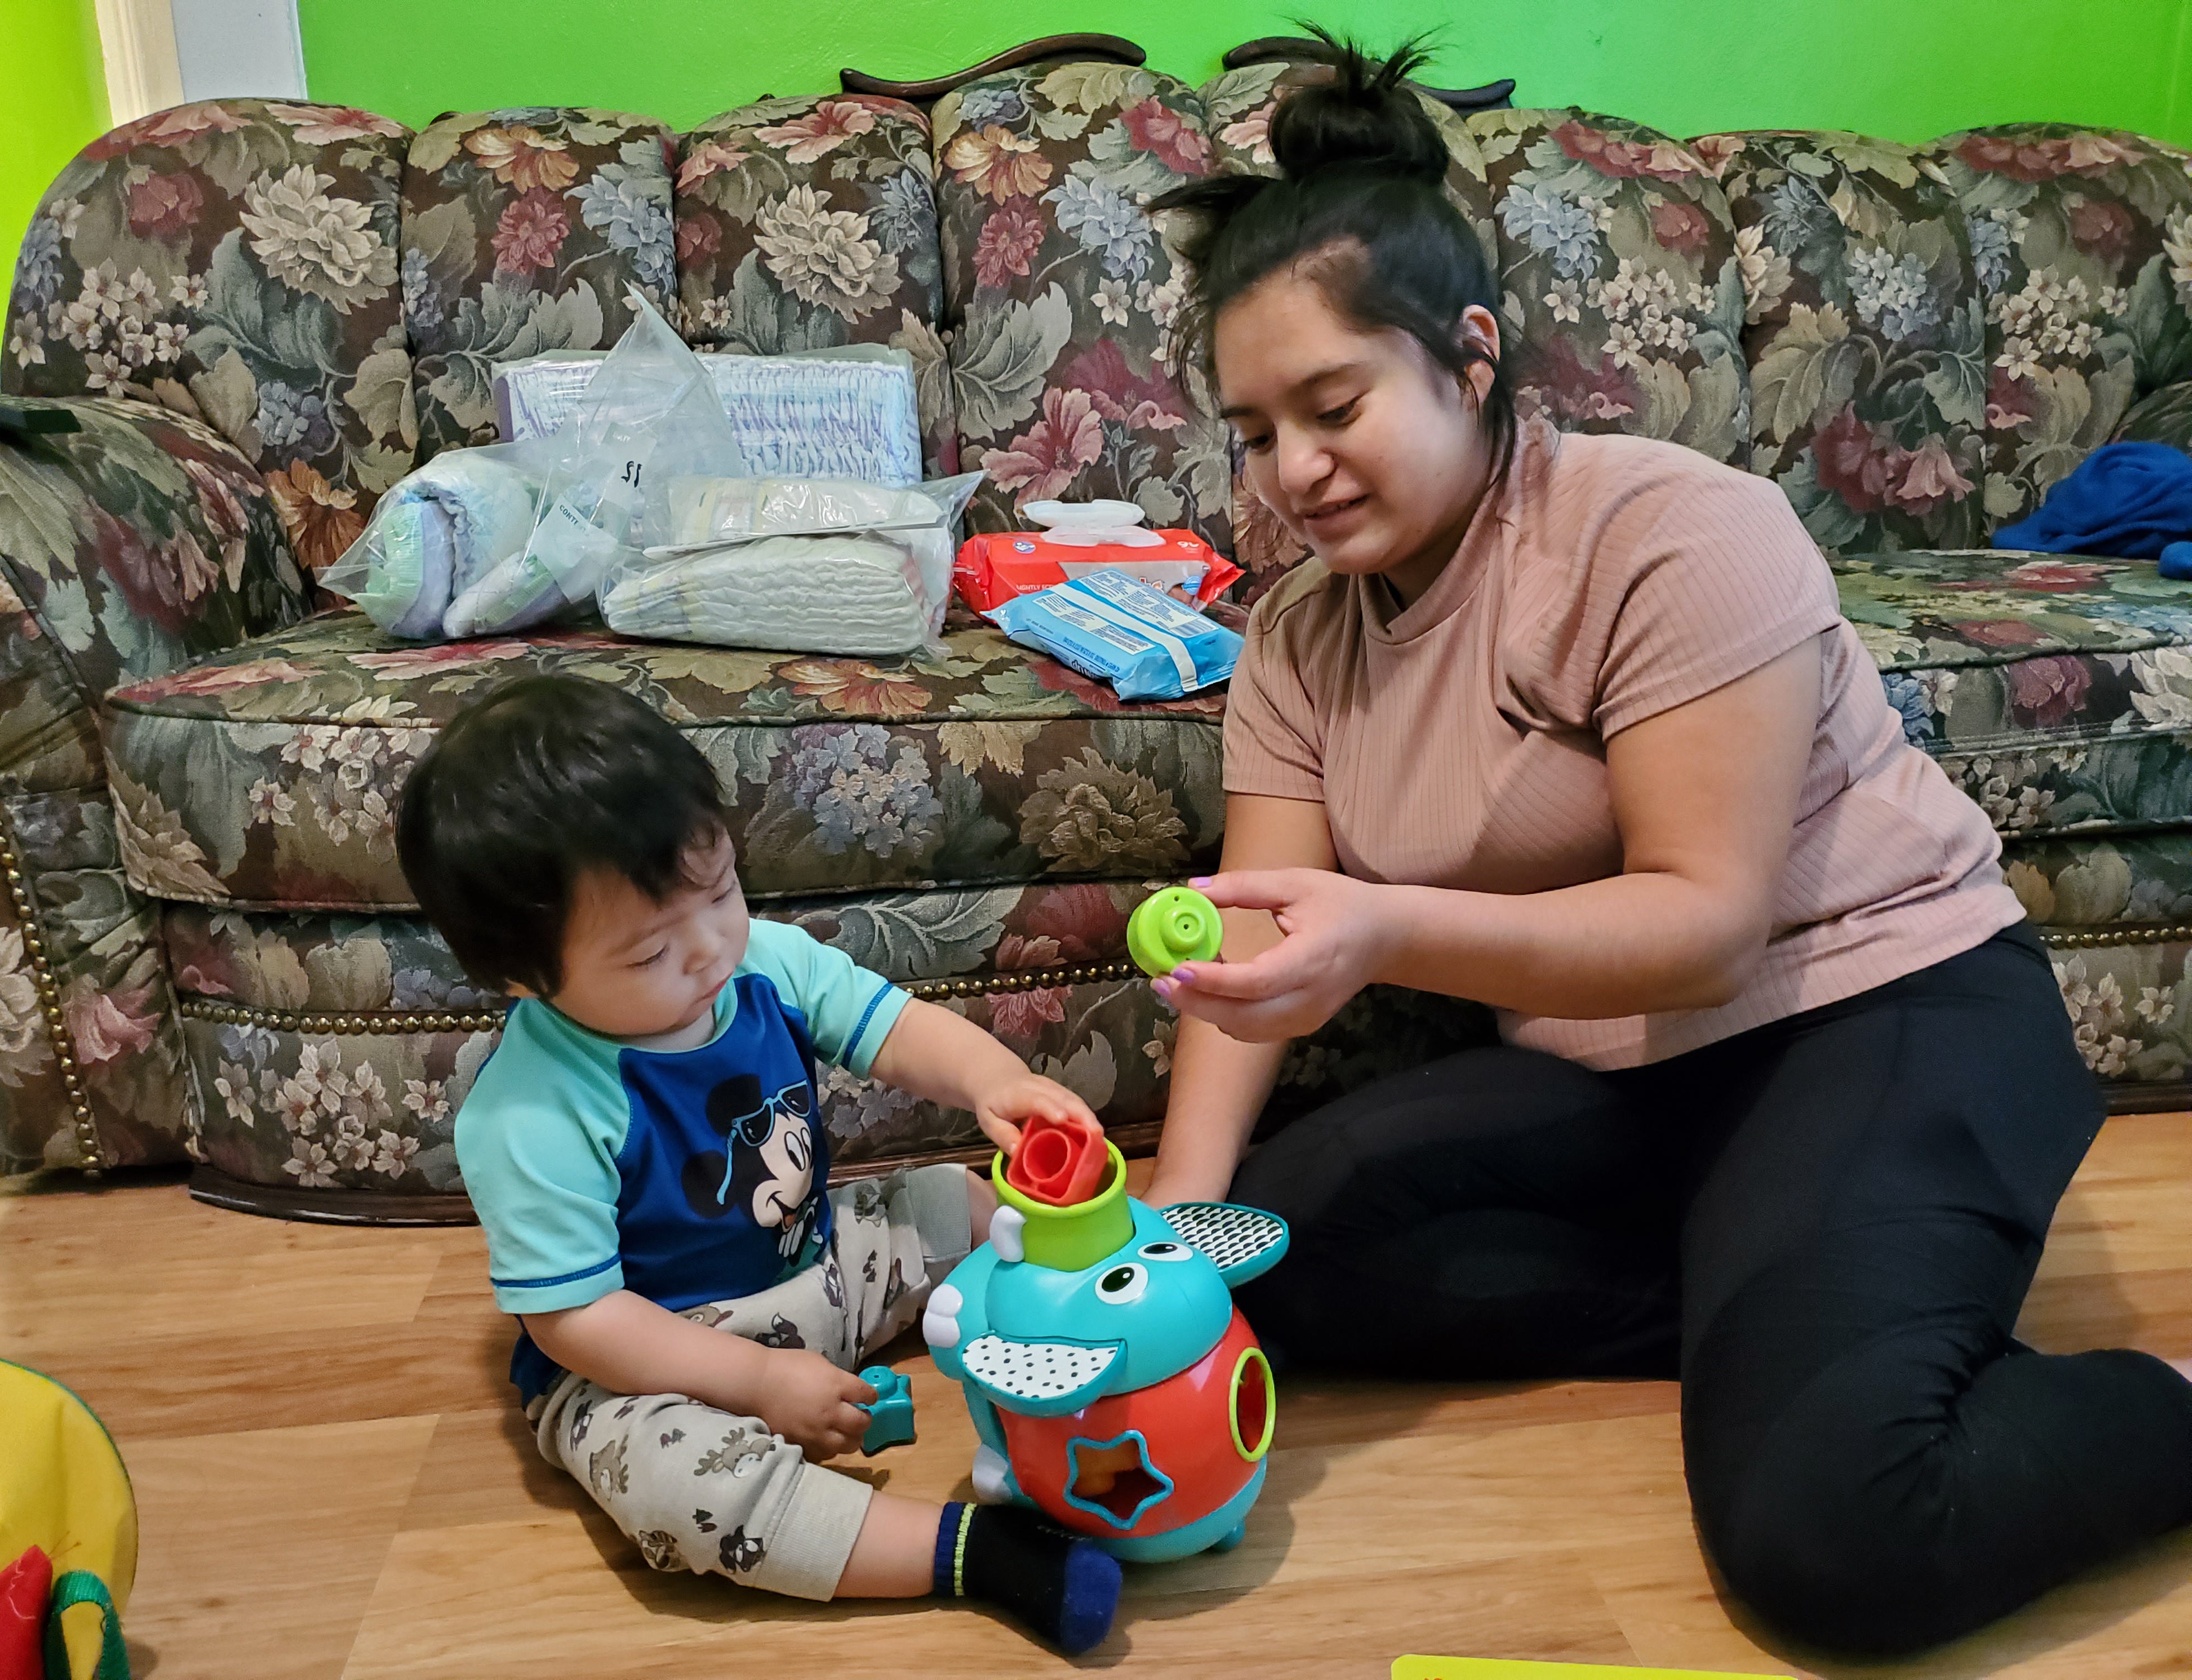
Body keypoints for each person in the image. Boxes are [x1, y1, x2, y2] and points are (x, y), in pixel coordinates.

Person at [1141, 34, 2192, 1657]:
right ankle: (1792, 1292)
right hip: (1626, 1075)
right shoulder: (1295, 636)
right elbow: (1253, 943)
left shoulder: (1667, 529)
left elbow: (1705, 925)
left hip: (1872, 1008)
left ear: (1469, 355)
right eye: (1255, 429)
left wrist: (1378, 928)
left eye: (1332, 407)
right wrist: (1170, 1247)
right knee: (1259, 1262)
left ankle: (2113, 1394)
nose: (1292, 471)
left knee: (1836, 1544)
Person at [395, 673, 1120, 1653]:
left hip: (818, 1267)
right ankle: (967, 1553)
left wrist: (993, 1079)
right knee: (678, 1491)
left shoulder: (760, 961)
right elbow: (576, 1319)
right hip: (651, 1363)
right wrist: (752, 1382)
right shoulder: (533, 1110)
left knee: (955, 1201)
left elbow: (892, 1027)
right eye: (650, 954)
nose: (710, 950)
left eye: (723, 889)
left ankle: (1127, 1314)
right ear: (525, 977)